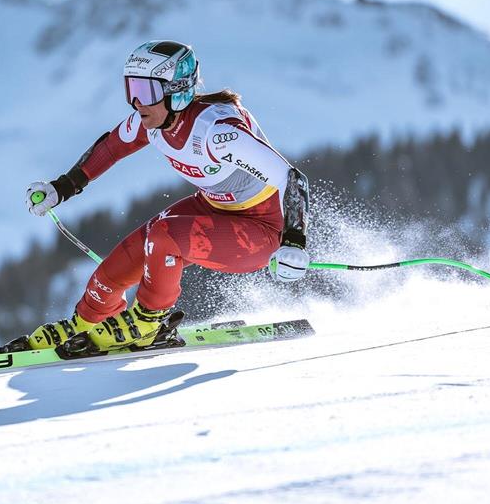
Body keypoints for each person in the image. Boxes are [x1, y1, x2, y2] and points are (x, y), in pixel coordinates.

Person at [23, 40, 310, 352]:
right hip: (215, 208)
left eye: (145, 93)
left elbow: (292, 180)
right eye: (130, 90)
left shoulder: (217, 132)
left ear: (178, 91)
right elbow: (110, 148)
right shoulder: (153, 122)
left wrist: (294, 240)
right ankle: (85, 322)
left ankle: (147, 322)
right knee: (121, 261)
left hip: (261, 231)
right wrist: (61, 188)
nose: (136, 103)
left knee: (164, 235)